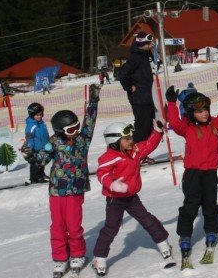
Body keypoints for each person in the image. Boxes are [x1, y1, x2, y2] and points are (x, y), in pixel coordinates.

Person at [32, 84, 102, 276]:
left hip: (75, 190)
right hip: (56, 190)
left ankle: (78, 254)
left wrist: (93, 102)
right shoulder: (54, 142)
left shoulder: (82, 140)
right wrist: (31, 155)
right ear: (60, 130)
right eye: (71, 129)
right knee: (57, 226)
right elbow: (42, 160)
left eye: (77, 127)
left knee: (73, 225)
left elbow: (90, 121)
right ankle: (60, 257)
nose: (76, 131)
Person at [91, 120, 172, 276]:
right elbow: (102, 174)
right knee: (111, 228)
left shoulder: (134, 151)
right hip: (115, 199)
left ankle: (163, 243)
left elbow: (148, 145)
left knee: (147, 219)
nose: (131, 141)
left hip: (131, 197)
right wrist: (112, 184)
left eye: (130, 137)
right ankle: (99, 257)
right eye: (126, 138)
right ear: (114, 141)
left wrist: (157, 131)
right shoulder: (109, 157)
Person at [165, 79, 218, 264]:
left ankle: (211, 230)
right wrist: (171, 103)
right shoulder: (186, 128)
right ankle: (185, 235)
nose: (204, 113)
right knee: (191, 206)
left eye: (206, 110)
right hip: (193, 175)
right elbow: (174, 122)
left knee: (210, 205)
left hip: (210, 174)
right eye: (200, 111)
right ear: (190, 113)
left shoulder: (213, 125)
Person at [118, 31, 156, 165]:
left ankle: (142, 154)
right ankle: (136, 155)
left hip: (147, 97)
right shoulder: (136, 57)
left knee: (149, 128)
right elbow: (122, 73)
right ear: (142, 44)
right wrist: (129, 87)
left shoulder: (144, 56)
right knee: (142, 129)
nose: (151, 45)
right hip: (140, 99)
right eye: (149, 43)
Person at [21, 102, 50, 184]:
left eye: (40, 114)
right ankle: (33, 178)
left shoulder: (42, 123)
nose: (39, 117)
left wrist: (48, 142)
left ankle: (41, 175)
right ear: (32, 115)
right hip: (34, 149)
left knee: (42, 163)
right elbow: (29, 138)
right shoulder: (31, 125)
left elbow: (46, 134)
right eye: (37, 115)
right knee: (35, 164)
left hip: (43, 147)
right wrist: (29, 148)